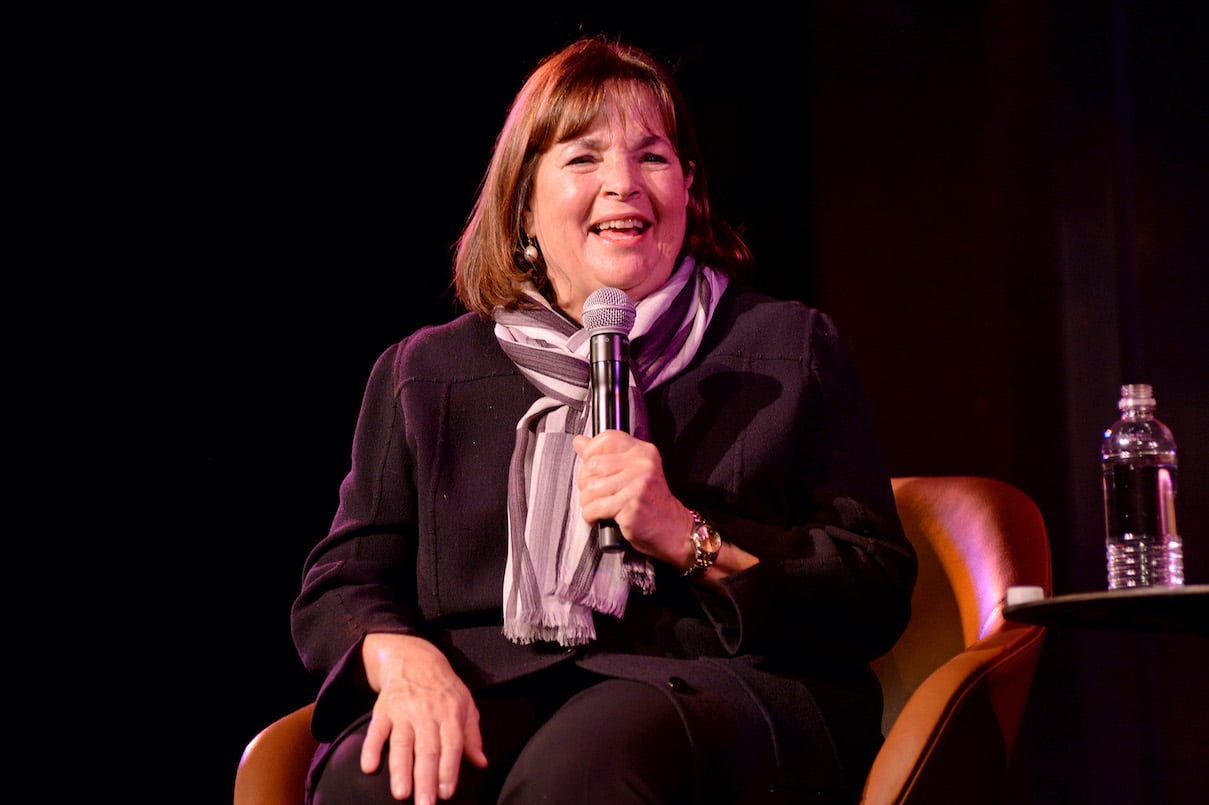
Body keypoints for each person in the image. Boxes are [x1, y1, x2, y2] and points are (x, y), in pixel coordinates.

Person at [291, 34, 917, 805]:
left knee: (588, 759)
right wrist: (405, 661)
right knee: (377, 779)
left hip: (719, 686)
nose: (622, 183)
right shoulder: (424, 372)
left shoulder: (783, 346)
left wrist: (687, 536)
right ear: (522, 202)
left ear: (688, 187)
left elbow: (872, 591)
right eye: (582, 158)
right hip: (495, 678)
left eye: (651, 158)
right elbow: (342, 583)